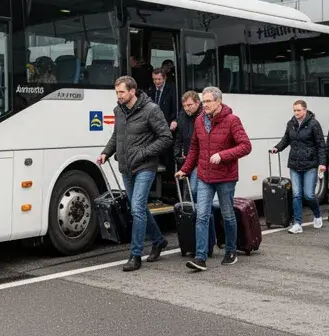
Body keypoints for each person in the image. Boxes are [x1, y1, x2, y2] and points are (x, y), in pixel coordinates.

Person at [97, 76, 173, 272]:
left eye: (121, 92)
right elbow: (117, 136)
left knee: (137, 208)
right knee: (138, 208)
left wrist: (143, 153)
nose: (118, 96)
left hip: (145, 167)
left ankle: (135, 254)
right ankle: (158, 241)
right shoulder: (119, 110)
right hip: (126, 167)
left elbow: (166, 138)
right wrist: (106, 152)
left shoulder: (151, 110)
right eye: (117, 92)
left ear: (133, 91)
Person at [176, 86, 252, 271]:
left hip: (225, 177)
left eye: (209, 101)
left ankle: (231, 250)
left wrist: (223, 155)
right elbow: (194, 148)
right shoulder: (200, 121)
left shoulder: (232, 120)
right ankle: (200, 257)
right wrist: (185, 169)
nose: (205, 104)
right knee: (201, 215)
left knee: (227, 215)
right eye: (204, 101)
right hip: (204, 175)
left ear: (219, 101)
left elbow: (245, 146)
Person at [269, 100, 326, 233]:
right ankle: (297, 223)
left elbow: (321, 145)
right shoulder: (291, 123)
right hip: (294, 163)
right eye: (294, 110)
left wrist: (322, 163)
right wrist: (277, 148)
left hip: (310, 164)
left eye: (298, 110)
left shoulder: (314, 124)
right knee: (296, 194)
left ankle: (317, 215)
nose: (296, 113)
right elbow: (286, 139)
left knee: (309, 195)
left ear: (305, 110)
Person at [173, 90, 215, 257]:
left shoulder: (204, 117)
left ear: (198, 103)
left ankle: (204, 242)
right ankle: (192, 238)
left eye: (190, 105)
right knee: (187, 198)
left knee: (196, 193)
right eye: (184, 106)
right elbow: (178, 139)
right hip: (186, 161)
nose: (187, 108)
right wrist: (177, 156)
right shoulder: (183, 116)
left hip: (199, 160)